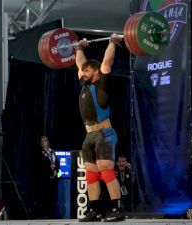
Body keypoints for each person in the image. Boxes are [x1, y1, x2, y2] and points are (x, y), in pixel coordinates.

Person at [75, 33, 125, 222]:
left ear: (95, 72)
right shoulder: (85, 86)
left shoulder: (101, 83)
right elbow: (80, 63)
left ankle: (117, 209)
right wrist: (79, 48)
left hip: (104, 133)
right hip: (89, 137)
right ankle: (95, 210)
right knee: (92, 175)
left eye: (87, 70)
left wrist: (112, 42)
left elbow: (107, 60)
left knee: (106, 171)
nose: (83, 72)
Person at [32, 136, 59, 219]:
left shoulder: (52, 151)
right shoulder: (40, 153)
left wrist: (56, 171)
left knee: (53, 196)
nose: (44, 142)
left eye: (45, 141)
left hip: (54, 178)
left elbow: (57, 163)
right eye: (42, 141)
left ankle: (52, 214)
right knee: (45, 197)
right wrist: (50, 173)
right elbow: (41, 166)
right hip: (45, 178)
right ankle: (44, 214)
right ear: (40, 144)